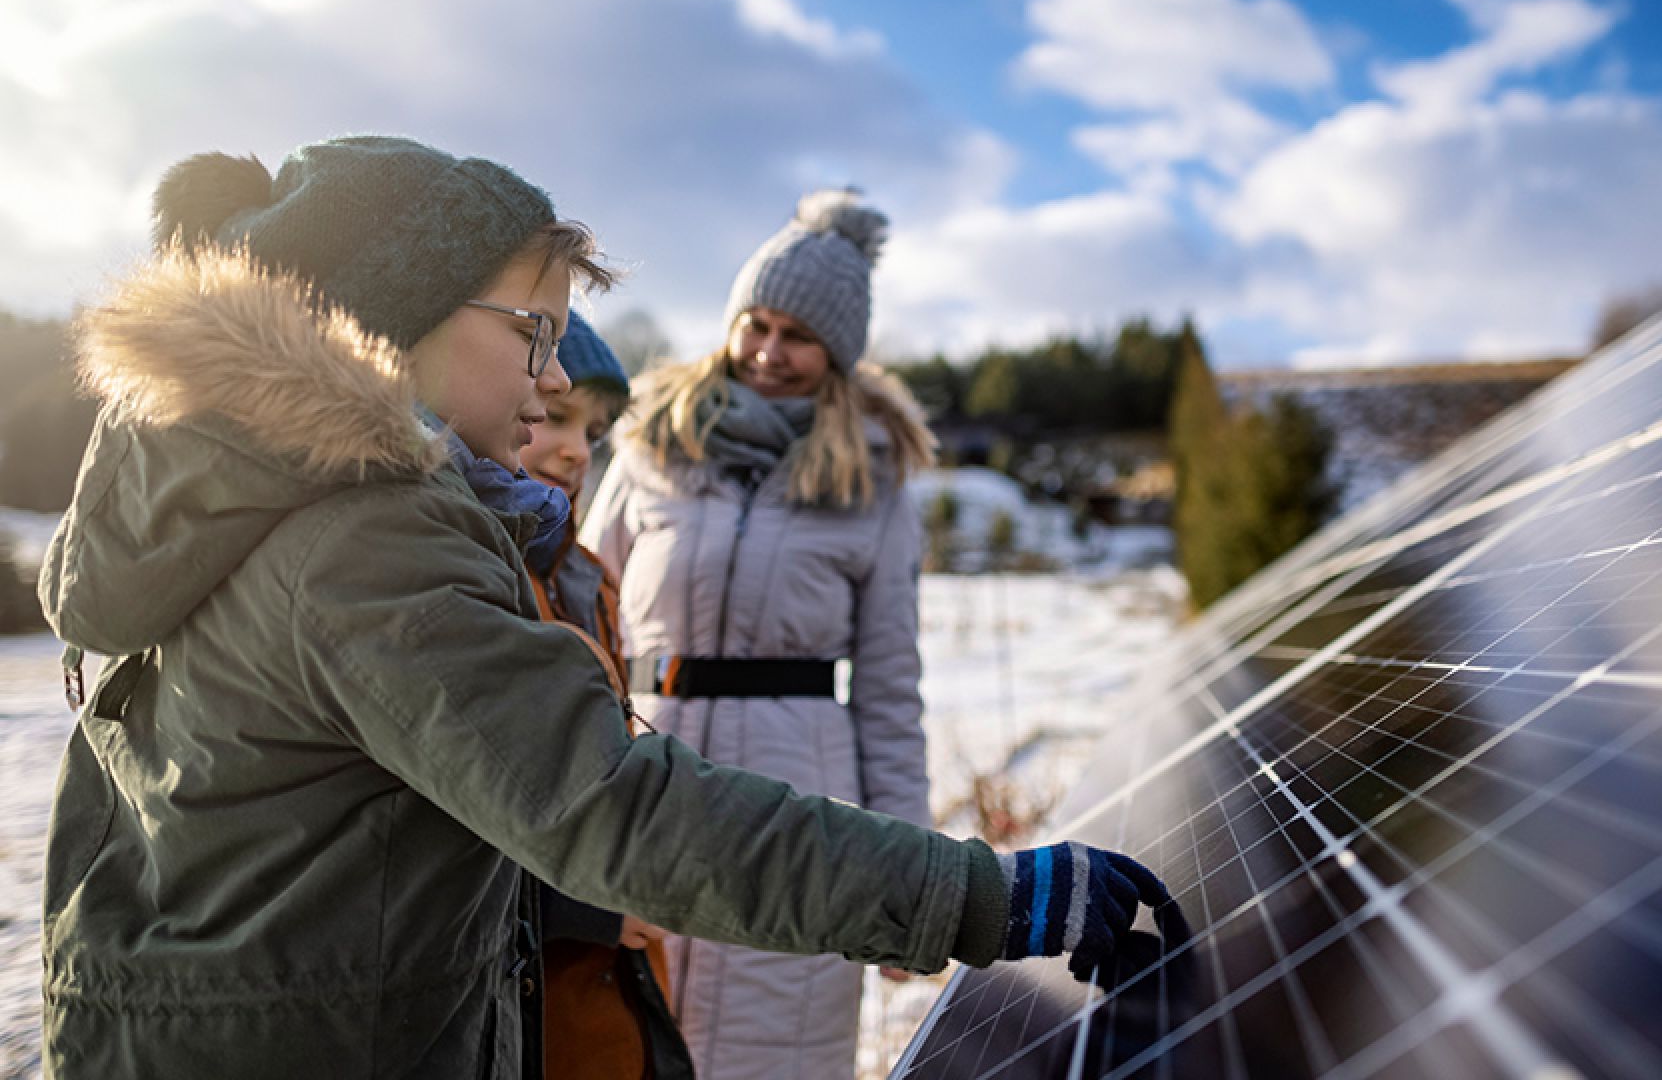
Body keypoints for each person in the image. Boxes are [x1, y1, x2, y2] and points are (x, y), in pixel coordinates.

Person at [37, 135, 1174, 1080]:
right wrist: (978, 894)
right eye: (531, 331)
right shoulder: (363, 539)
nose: (549, 378)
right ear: (400, 316)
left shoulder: (210, 492)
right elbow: (610, 806)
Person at [578, 190, 929, 1079]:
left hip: (802, 789)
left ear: (839, 353)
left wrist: (907, 879)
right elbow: (581, 611)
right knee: (619, 1028)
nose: (769, 353)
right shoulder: (653, 444)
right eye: (757, 324)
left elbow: (889, 688)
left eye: (799, 337)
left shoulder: (875, 479)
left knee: (775, 1038)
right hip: (645, 772)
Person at [516, 312, 691, 1079]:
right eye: (554, 418)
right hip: (535, 1003)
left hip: (618, 990)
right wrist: (591, 908)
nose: (574, 451)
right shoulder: (466, 583)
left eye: (594, 431)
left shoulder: (589, 580)